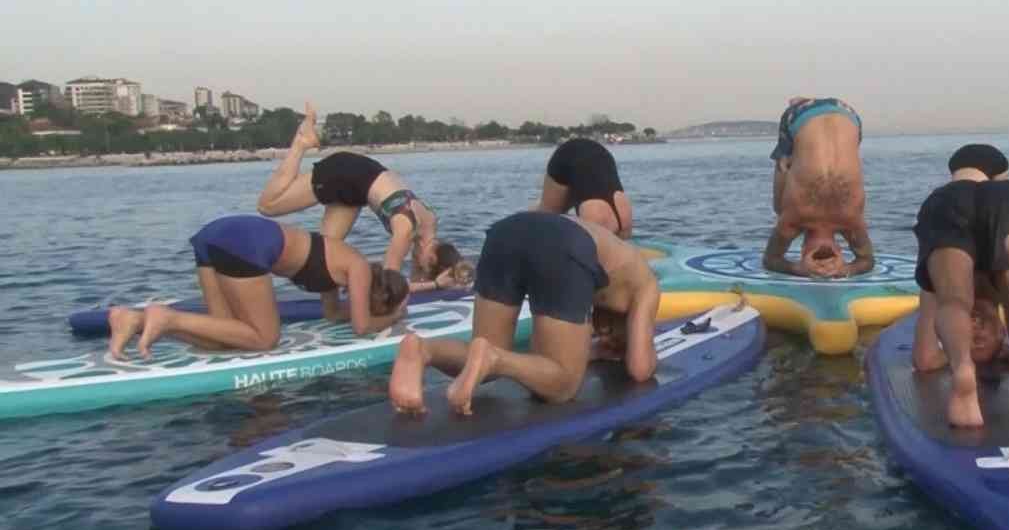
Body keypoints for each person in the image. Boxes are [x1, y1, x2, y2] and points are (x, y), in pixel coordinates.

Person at [388, 211, 662, 416]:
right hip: (562, 244)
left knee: (480, 349)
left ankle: (423, 350)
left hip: (508, 232)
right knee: (564, 386)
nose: (605, 335)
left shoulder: (620, 265)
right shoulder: (648, 284)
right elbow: (639, 369)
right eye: (613, 336)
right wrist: (646, 353)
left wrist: (593, 351)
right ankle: (494, 358)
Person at [107, 215, 409, 359]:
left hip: (217, 235)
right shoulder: (357, 266)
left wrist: (374, 314)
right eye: (387, 305)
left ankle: (136, 320)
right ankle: (168, 317)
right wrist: (393, 320)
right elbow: (361, 325)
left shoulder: (341, 265)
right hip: (247, 242)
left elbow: (332, 314)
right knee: (265, 338)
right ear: (382, 294)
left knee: (219, 337)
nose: (382, 311)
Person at [911, 146, 1009, 428]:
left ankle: (961, 366)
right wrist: (1005, 349)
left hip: (945, 206)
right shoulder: (1005, 189)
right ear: (1000, 175)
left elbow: (925, 360)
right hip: (1006, 205)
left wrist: (963, 358)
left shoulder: (941, 197)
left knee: (952, 301)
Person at [256, 103, 461, 284]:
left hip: (358, 189)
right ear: (432, 257)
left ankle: (333, 308)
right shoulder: (406, 228)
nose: (415, 261)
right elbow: (390, 280)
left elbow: (422, 263)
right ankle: (301, 142)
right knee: (267, 206)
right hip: (346, 172)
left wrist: (438, 280)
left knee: (328, 252)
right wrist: (432, 286)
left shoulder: (430, 223)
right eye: (421, 265)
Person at [762, 97, 876, 277]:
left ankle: (808, 114)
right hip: (813, 115)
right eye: (831, 259)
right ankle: (804, 118)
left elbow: (770, 261)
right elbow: (771, 260)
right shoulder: (792, 221)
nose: (824, 263)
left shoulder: (851, 222)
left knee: (780, 201)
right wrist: (844, 270)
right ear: (840, 248)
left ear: (802, 249)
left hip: (847, 114)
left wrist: (801, 269)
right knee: (779, 205)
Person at [535, 137, 634, 238]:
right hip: (566, 156)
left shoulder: (619, 223)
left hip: (597, 153)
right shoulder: (601, 226)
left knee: (550, 219)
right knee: (547, 217)